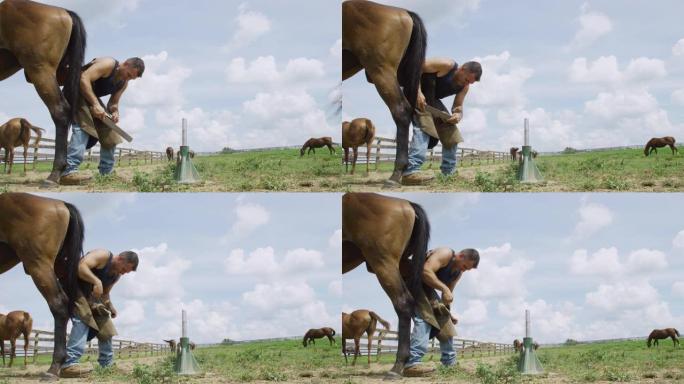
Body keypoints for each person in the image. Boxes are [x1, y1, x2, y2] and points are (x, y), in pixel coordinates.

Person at [60, 57, 145, 185]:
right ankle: (68, 172)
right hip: (74, 90)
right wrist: (95, 104)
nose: (127, 79)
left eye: (131, 78)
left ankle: (106, 173)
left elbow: (113, 103)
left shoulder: (123, 83)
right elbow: (83, 78)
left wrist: (115, 112)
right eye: (128, 74)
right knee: (84, 127)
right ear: (125, 63)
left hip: (90, 97)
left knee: (111, 132)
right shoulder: (108, 64)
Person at [401, 59, 482, 186]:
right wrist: (418, 92)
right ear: (463, 68)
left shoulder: (465, 87)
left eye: (470, 83)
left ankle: (448, 172)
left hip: (432, 101)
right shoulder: (446, 65)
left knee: (451, 131)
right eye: (467, 80)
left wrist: (458, 114)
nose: (467, 84)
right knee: (424, 127)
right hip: (414, 92)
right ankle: (410, 173)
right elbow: (415, 67)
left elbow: (458, 106)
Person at [60, 250, 139, 378]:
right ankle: (69, 365)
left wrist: (110, 306)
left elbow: (105, 294)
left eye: (126, 272)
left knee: (106, 326)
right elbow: (80, 267)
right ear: (120, 259)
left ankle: (106, 365)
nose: (123, 273)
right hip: (74, 289)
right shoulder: (103, 255)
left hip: (91, 298)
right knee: (84, 318)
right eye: (124, 269)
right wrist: (97, 281)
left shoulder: (116, 275)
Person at [403, 247, 480, 377]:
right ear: (461, 256)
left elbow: (447, 296)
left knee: (445, 320)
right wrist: (444, 288)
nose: (464, 270)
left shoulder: (457, 273)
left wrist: (449, 313)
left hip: (427, 289)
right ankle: (412, 364)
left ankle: (449, 363)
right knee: (425, 318)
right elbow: (425, 271)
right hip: (412, 281)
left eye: (467, 269)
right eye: (465, 266)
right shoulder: (445, 253)